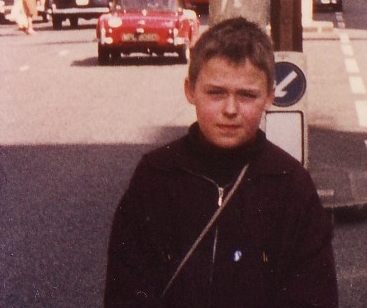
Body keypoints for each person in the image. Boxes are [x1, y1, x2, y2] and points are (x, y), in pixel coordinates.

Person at [104, 18, 338, 308]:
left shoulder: (291, 185)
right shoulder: (156, 176)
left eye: (247, 95)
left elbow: (313, 296)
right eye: (215, 93)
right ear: (190, 91)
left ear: (269, 97)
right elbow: (126, 290)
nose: (230, 110)